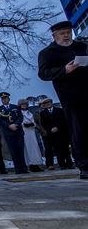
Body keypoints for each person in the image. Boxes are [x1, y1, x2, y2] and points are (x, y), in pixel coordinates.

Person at [38, 20, 88, 179]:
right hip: (71, 96)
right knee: (79, 131)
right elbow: (43, 73)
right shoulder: (48, 53)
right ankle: (84, 165)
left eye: (68, 32)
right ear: (54, 36)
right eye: (62, 33)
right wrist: (64, 70)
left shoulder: (81, 47)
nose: (66, 36)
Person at [0, 92, 28, 174]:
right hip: (8, 133)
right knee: (13, 151)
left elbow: (20, 117)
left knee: (20, 150)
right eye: (3, 99)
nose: (4, 99)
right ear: (1, 100)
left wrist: (16, 124)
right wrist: (9, 126)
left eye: (6, 98)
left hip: (18, 131)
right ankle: (17, 168)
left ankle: (24, 167)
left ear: (9, 99)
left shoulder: (15, 107)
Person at [39, 98, 74, 170]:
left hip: (62, 132)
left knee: (65, 149)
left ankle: (69, 164)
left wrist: (57, 127)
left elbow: (63, 120)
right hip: (52, 134)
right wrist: (50, 129)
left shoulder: (59, 110)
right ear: (44, 105)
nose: (48, 104)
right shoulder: (43, 113)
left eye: (49, 103)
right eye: (46, 103)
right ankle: (62, 164)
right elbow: (44, 123)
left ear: (51, 103)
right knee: (57, 150)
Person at [18, 99, 44, 172]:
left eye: (25, 104)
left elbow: (33, 121)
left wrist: (33, 124)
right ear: (20, 106)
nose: (24, 105)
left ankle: (36, 164)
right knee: (28, 149)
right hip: (25, 132)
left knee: (34, 148)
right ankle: (30, 164)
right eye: (23, 104)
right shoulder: (19, 113)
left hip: (31, 132)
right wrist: (24, 124)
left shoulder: (29, 113)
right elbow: (19, 122)